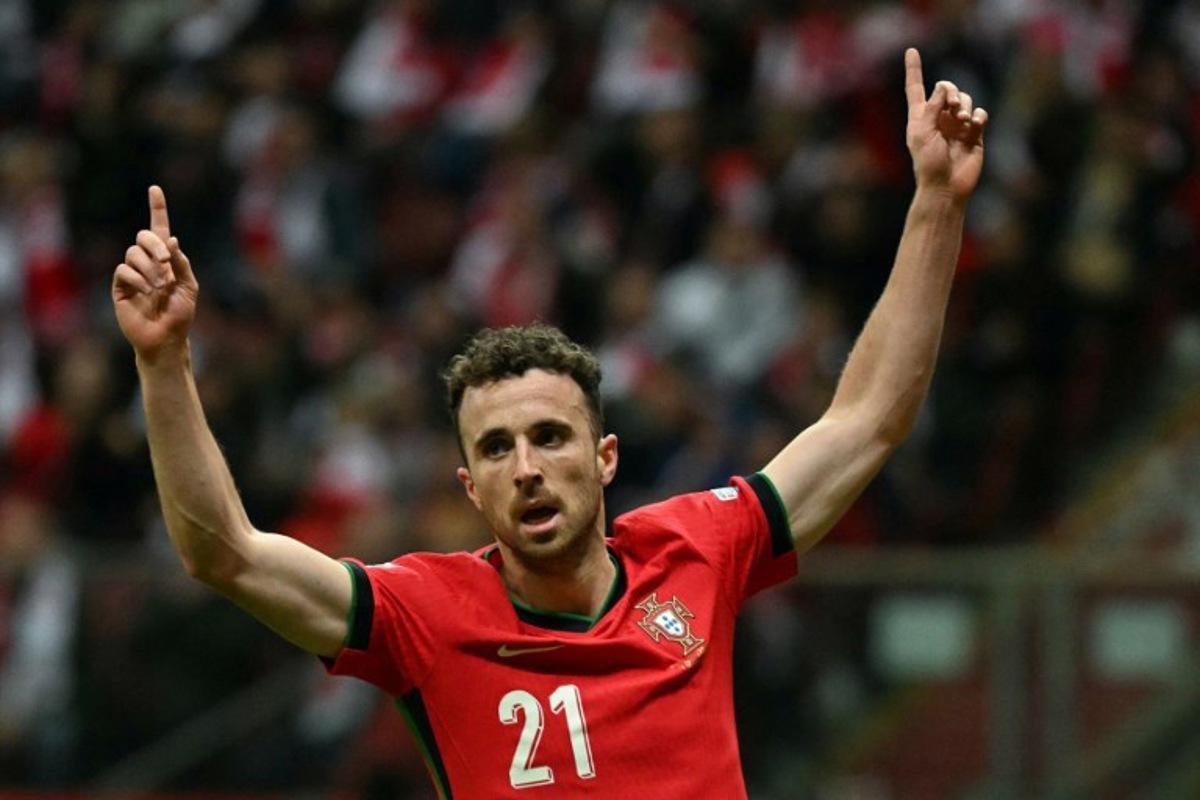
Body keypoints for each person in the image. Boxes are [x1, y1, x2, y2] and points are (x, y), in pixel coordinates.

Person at [110, 49, 987, 799]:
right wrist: (162, 363)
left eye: (550, 436)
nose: (525, 465)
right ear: (470, 487)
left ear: (605, 457)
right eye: (495, 448)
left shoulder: (699, 549)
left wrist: (937, 206)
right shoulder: (423, 613)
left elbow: (867, 418)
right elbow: (219, 551)